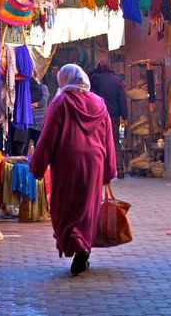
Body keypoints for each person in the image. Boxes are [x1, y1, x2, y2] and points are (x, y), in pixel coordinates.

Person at [30, 64, 117, 275]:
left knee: (66, 205)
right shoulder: (99, 103)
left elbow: (48, 136)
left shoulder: (60, 103)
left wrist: (38, 165)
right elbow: (108, 138)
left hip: (67, 161)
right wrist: (109, 169)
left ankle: (76, 243)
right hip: (95, 161)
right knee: (87, 207)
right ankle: (83, 249)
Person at [89, 61, 128, 177]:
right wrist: (124, 115)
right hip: (114, 116)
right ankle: (120, 170)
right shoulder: (117, 80)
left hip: (98, 116)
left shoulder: (94, 79)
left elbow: (89, 95)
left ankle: (100, 170)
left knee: (99, 142)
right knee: (115, 142)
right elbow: (122, 99)